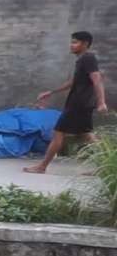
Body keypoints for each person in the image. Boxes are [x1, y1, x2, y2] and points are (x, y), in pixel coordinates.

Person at [25, 31, 107, 174]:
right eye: (72, 42)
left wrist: (102, 102)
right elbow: (73, 82)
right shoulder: (82, 60)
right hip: (81, 104)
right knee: (87, 135)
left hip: (78, 104)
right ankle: (106, 167)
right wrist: (51, 92)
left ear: (85, 44)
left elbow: (97, 79)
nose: (71, 45)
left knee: (58, 133)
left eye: (75, 42)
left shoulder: (88, 58)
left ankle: (42, 167)